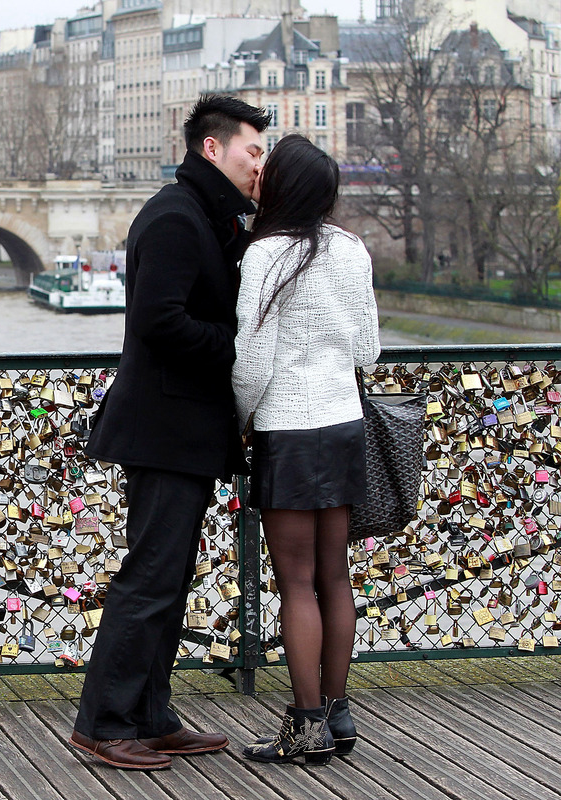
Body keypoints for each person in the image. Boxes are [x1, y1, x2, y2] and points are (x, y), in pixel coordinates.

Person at [69, 94, 269, 771]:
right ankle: (104, 721)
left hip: (182, 429)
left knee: (168, 577)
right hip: (164, 427)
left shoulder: (207, 217)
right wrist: (238, 344)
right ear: (213, 149)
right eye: (252, 151)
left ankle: (150, 716)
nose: (258, 164)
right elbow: (160, 321)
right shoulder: (177, 218)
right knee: (150, 577)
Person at [231, 134, 380, 766]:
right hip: (343, 423)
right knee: (334, 576)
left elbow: (252, 362)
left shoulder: (264, 254)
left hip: (288, 431)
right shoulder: (350, 249)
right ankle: (339, 712)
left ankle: (305, 722)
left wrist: (243, 420)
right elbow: (368, 349)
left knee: (293, 582)